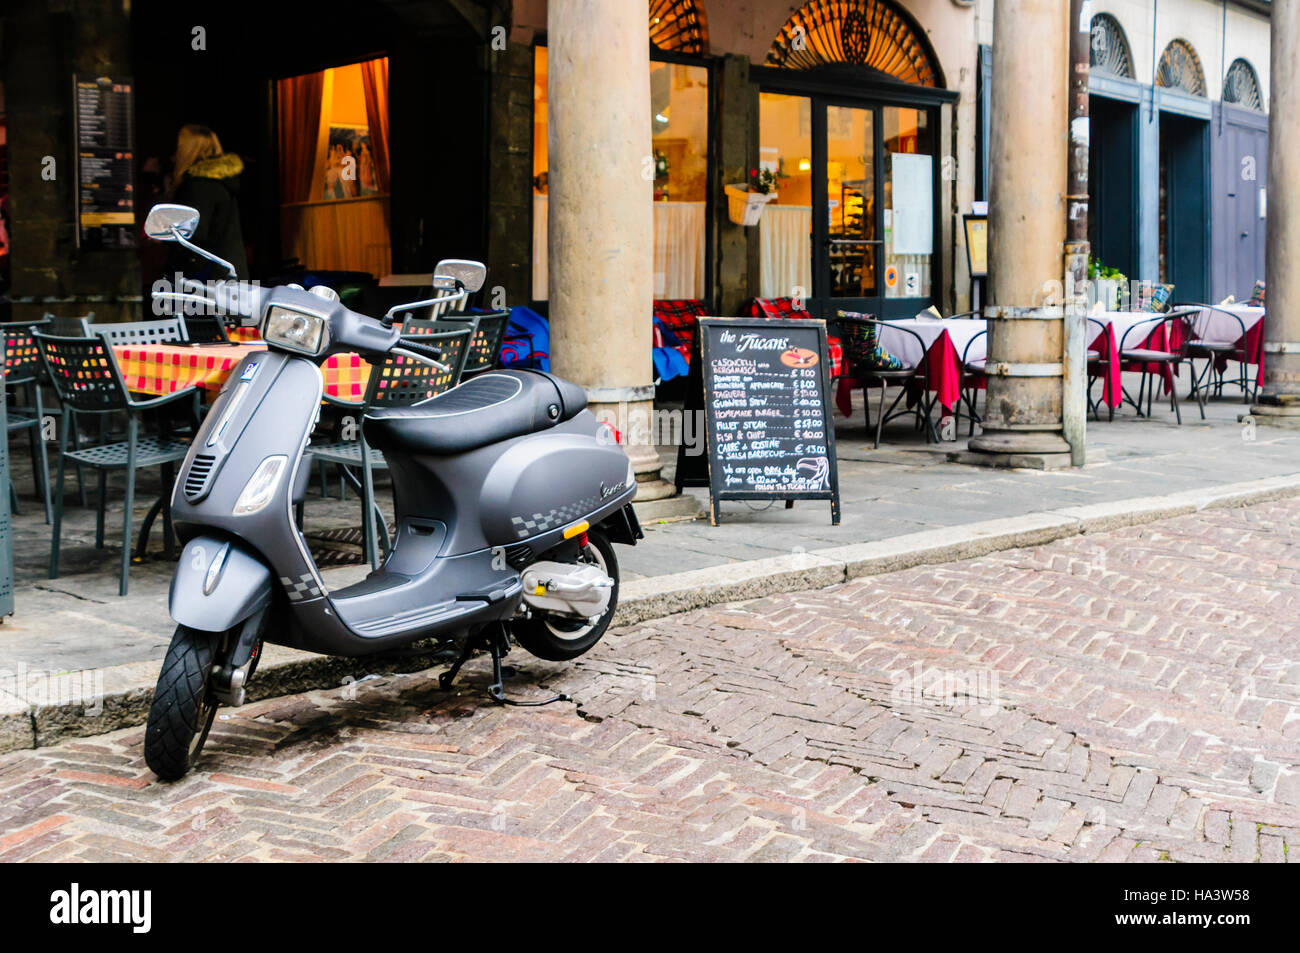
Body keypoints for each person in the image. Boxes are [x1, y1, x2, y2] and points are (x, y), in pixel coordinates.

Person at [167, 124, 248, 280]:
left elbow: (193, 235)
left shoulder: (198, 186)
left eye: (178, 147)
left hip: (205, 282)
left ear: (186, 150)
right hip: (229, 273)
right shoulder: (223, 183)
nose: (175, 152)